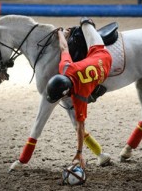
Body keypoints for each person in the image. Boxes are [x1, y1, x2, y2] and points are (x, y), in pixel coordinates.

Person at [46, 17, 112, 168]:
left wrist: (79, 152)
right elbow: (64, 47)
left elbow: (80, 126)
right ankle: (86, 23)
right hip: (100, 54)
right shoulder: (66, 69)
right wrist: (61, 33)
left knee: (85, 22)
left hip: (103, 55)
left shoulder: (80, 96)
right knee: (85, 22)